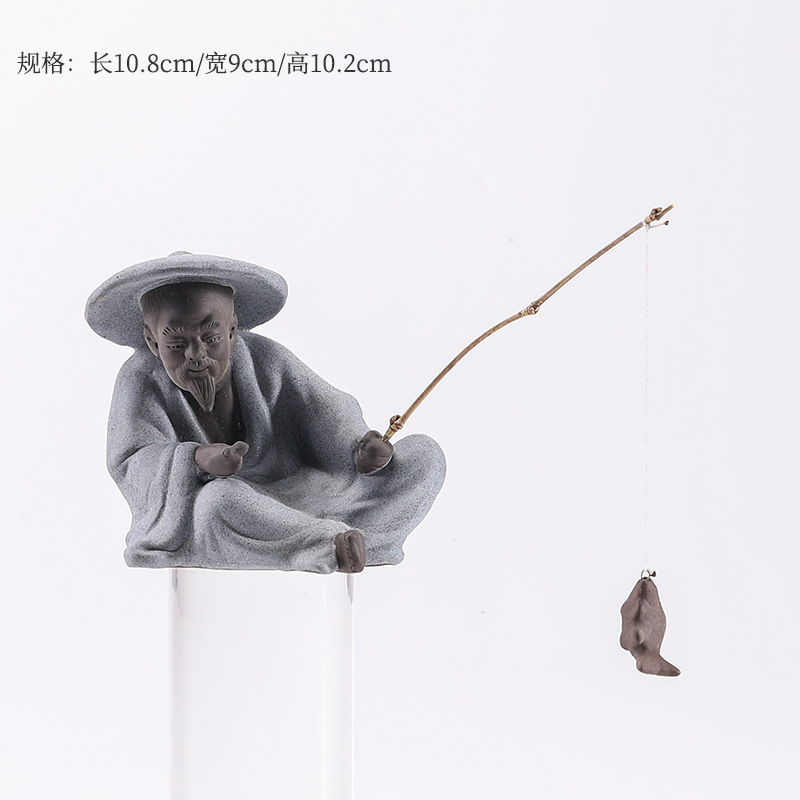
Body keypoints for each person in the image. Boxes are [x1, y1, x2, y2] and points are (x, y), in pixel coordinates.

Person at [86, 251, 446, 573]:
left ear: (232, 330)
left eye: (211, 339)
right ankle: (327, 544)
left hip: (305, 489)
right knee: (218, 502)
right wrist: (196, 459)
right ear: (152, 341)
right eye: (177, 344)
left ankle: (354, 541)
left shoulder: (266, 359)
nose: (196, 355)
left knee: (424, 456)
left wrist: (359, 448)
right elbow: (131, 459)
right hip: (232, 504)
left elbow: (324, 409)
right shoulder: (140, 378)